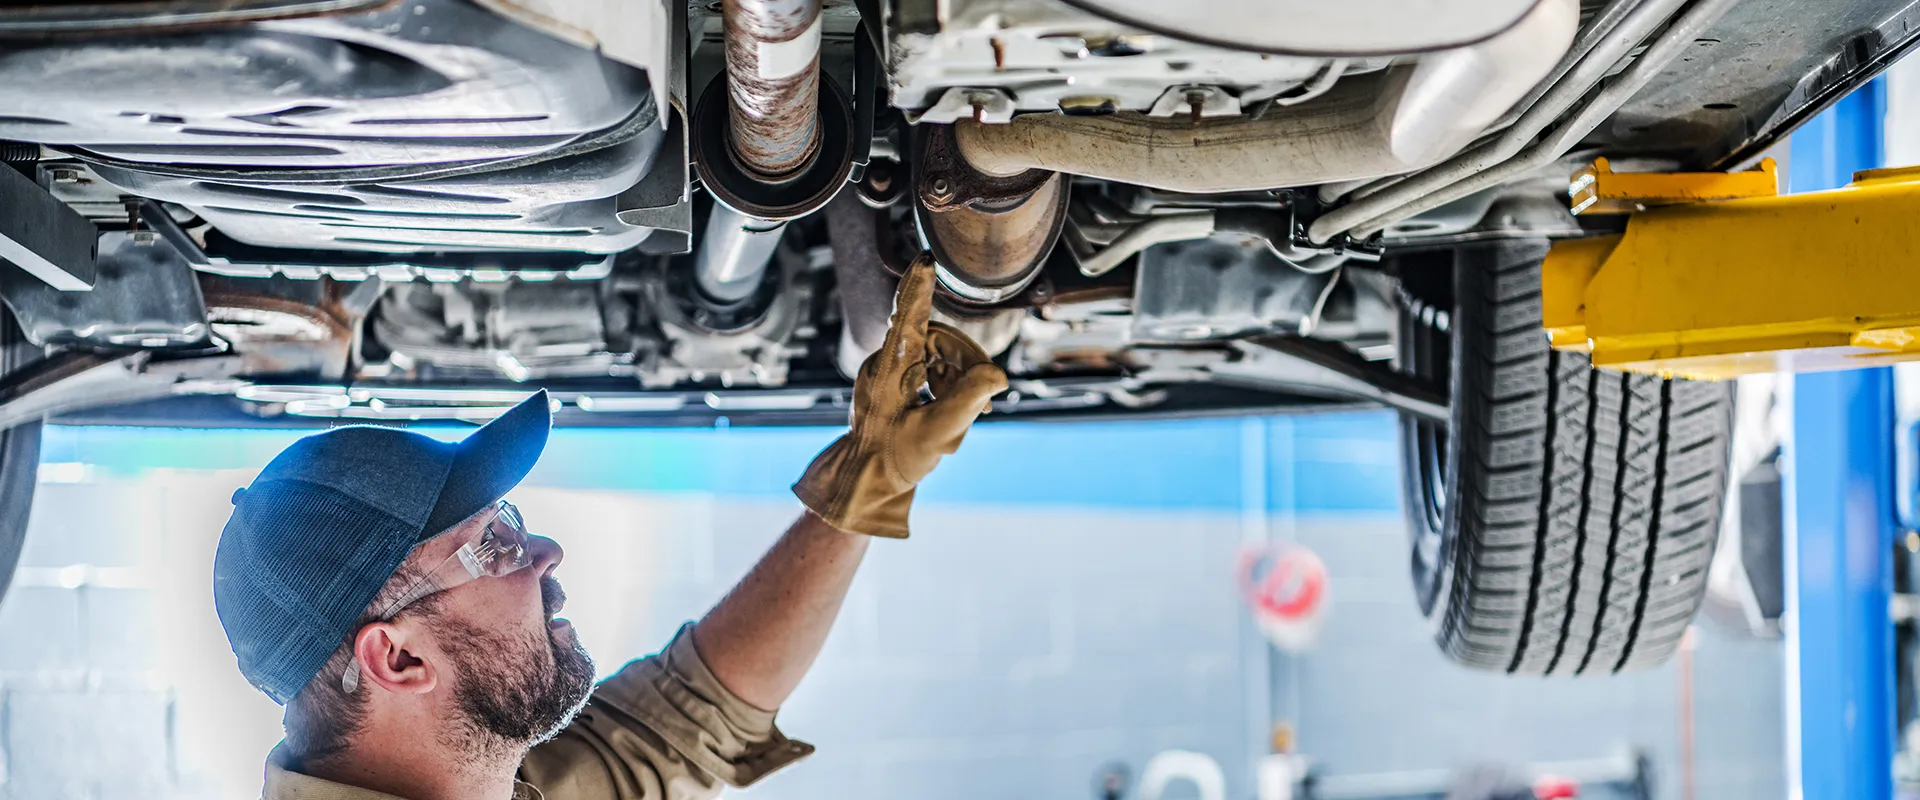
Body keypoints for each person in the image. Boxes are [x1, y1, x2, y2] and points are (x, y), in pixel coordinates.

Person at [212, 256, 1007, 800]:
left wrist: (869, 481)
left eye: (509, 525)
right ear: (398, 654)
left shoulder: (485, 770)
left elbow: (689, 717)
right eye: (490, 547)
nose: (545, 555)